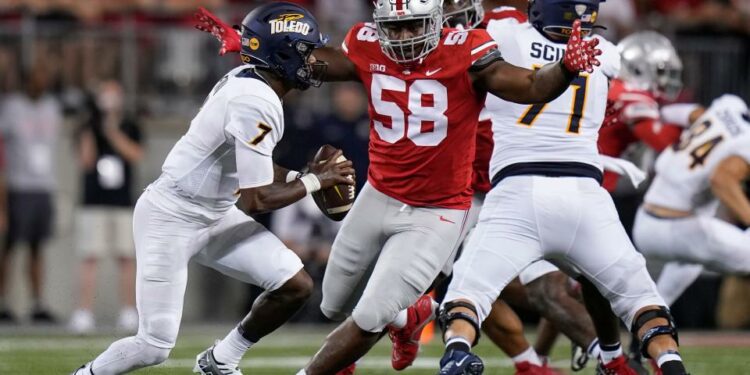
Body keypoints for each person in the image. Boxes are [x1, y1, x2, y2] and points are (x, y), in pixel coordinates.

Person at [195, 0, 601, 372]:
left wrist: (563, 68)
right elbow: (308, 63)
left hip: (438, 210)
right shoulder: (367, 44)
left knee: (369, 316)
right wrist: (257, 47)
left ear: (436, 20)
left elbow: (529, 87)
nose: (404, 37)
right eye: (396, 27)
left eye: (414, 26)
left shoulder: (466, 49)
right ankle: (410, 315)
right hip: (380, 193)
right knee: (333, 302)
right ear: (380, 24)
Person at [70, 3, 354, 375]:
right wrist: (315, 181)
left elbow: (253, 169)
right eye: (305, 52)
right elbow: (256, 199)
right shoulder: (256, 101)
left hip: (214, 213)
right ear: (281, 53)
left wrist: (301, 175)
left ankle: (220, 360)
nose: (313, 61)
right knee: (154, 346)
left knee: (294, 285)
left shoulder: (254, 81)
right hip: (171, 215)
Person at [437, 0, 689, 374]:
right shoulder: (607, 52)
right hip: (584, 194)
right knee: (642, 301)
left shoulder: (504, 31)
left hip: (516, 193)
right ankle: (669, 362)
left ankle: (458, 350)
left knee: (466, 294)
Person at [632, 94, 750, 313]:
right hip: (678, 227)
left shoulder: (729, 105)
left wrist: (655, 116)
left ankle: (651, 320)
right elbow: (721, 180)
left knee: (689, 261)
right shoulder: (746, 142)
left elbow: (683, 112)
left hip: (646, 221)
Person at [68, 81, 144, 334]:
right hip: (94, 201)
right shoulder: (88, 125)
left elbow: (135, 154)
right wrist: (92, 127)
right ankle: (83, 312)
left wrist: (112, 131)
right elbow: (86, 161)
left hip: (122, 201)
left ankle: (128, 311)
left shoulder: (130, 125)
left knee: (126, 257)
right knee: (90, 256)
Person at [0, 65, 62, 324]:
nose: (41, 82)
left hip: (43, 186)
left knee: (38, 247)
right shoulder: (12, 107)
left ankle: (37, 303)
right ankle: (3, 302)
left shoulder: (52, 106)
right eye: (37, 77)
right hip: (19, 185)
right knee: (10, 247)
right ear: (27, 81)